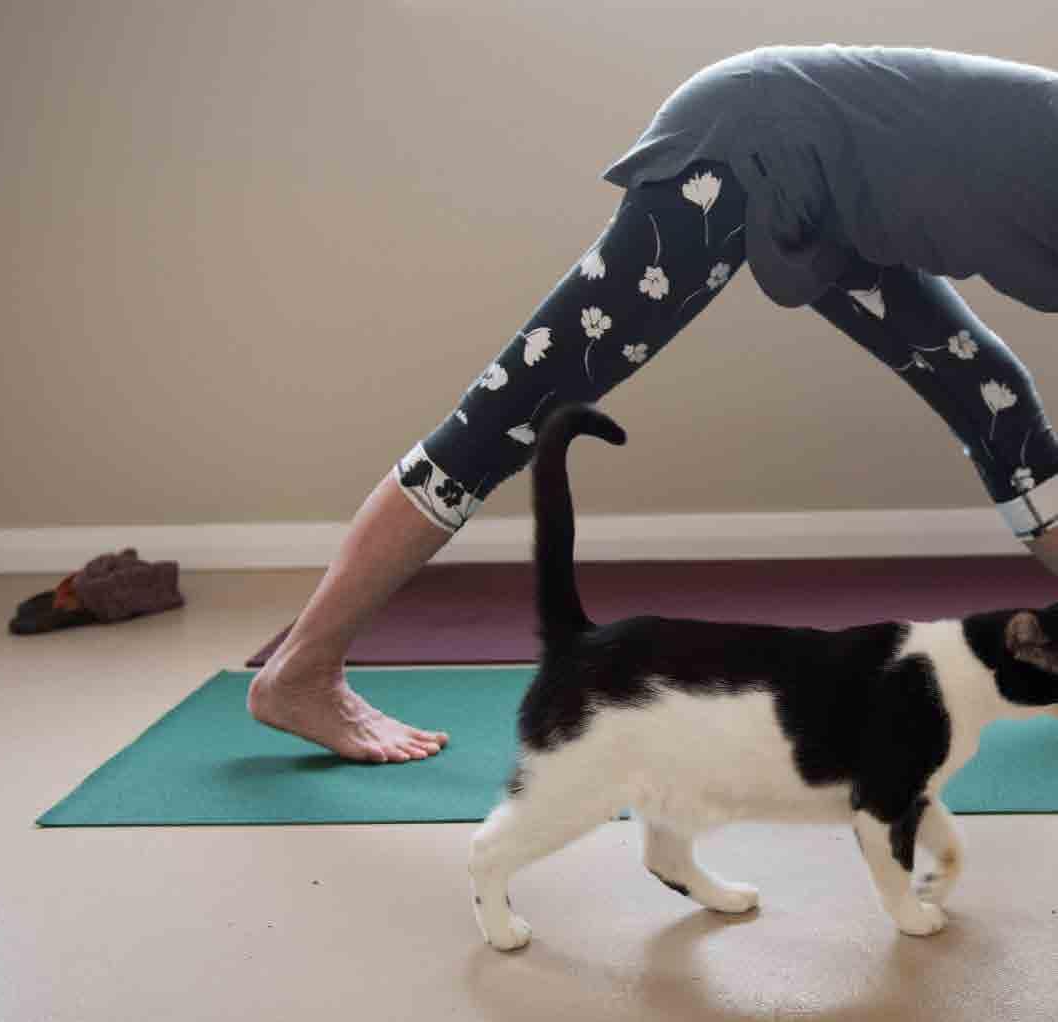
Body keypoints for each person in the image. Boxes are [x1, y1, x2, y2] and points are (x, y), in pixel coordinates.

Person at [249, 44, 1058, 763]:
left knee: (994, 400)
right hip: (750, 142)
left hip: (830, 186)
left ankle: (304, 667)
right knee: (513, 410)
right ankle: (301, 672)